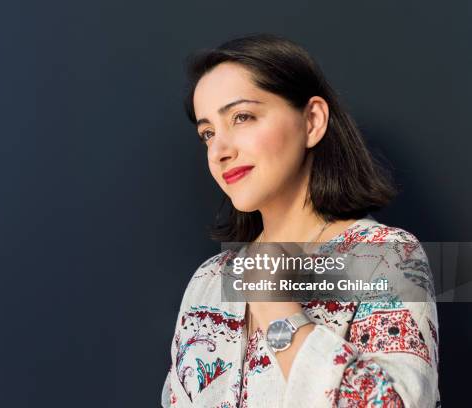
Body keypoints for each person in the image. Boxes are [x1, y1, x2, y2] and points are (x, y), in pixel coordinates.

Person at [161, 33, 439, 407]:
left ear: (312, 121)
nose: (220, 151)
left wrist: (278, 309)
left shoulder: (387, 258)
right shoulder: (209, 281)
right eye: (208, 133)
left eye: (242, 117)